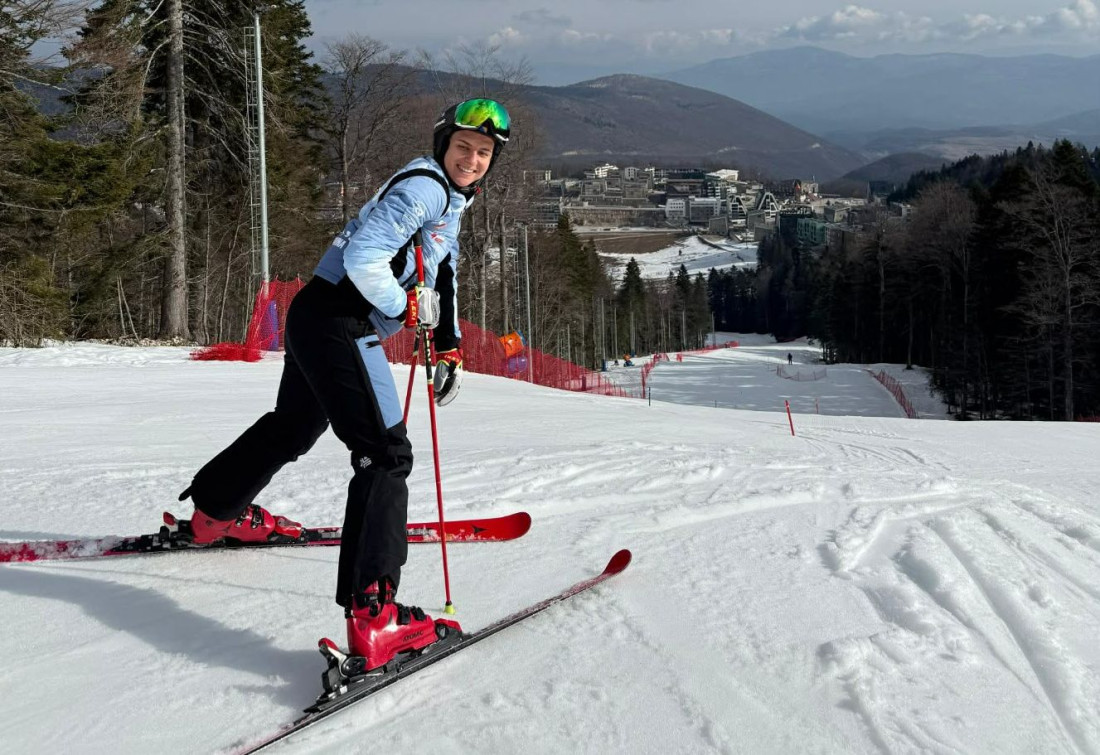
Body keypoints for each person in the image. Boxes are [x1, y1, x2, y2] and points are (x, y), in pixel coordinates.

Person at [178, 99, 511, 669]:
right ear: (443, 145)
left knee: (294, 426)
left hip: (317, 315)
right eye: (464, 147)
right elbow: (365, 257)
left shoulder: (450, 200)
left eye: (484, 153)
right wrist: (404, 310)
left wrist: (448, 343)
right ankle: (375, 617)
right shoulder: (426, 190)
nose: (472, 159)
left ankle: (216, 512)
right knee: (385, 453)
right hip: (340, 320)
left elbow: (444, 271)